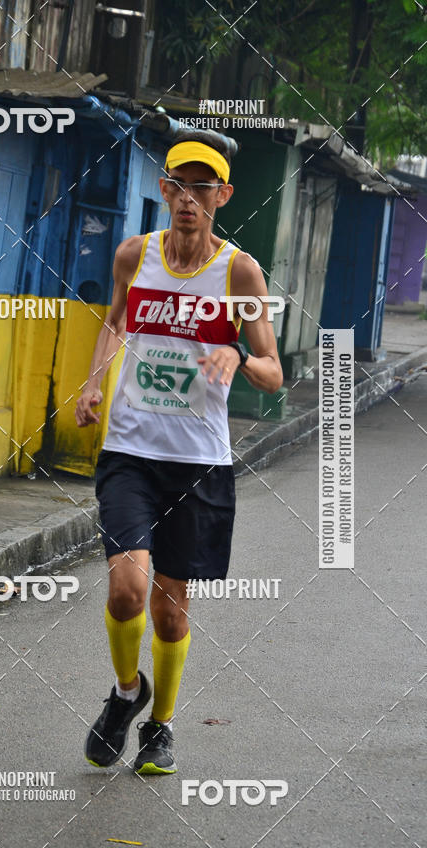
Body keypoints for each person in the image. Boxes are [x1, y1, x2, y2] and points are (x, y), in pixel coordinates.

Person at [75, 130, 283, 775]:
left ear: (222, 196)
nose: (189, 197)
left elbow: (275, 369)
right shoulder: (135, 255)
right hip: (130, 452)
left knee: (170, 611)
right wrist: (93, 382)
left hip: (198, 463)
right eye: (178, 184)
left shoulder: (239, 271)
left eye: (203, 187)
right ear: (163, 190)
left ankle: (160, 725)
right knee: (127, 592)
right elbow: (115, 321)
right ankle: (125, 694)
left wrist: (240, 354)